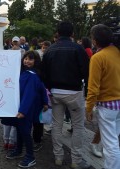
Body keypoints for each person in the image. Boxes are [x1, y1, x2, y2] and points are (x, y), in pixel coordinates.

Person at [42, 21, 90, 168]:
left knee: (56, 125)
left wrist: (49, 89)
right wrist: (86, 90)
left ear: (57, 33)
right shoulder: (78, 49)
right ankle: (76, 160)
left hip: (55, 92)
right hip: (74, 92)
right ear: (72, 33)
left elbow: (44, 74)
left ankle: (58, 157)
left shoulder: (50, 50)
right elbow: (86, 72)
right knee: (78, 126)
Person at [86, 24, 120, 169]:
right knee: (114, 140)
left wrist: (88, 108)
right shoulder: (117, 52)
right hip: (118, 104)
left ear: (95, 40)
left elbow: (93, 88)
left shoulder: (98, 57)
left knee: (110, 144)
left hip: (107, 105)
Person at [6, 51, 48, 168]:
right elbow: (42, 88)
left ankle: (30, 157)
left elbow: (30, 94)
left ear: (36, 61)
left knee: (25, 131)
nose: (27, 61)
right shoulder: (25, 73)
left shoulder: (32, 76)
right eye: (25, 58)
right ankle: (18, 150)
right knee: (19, 129)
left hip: (27, 109)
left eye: (30, 59)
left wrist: (23, 111)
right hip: (21, 107)